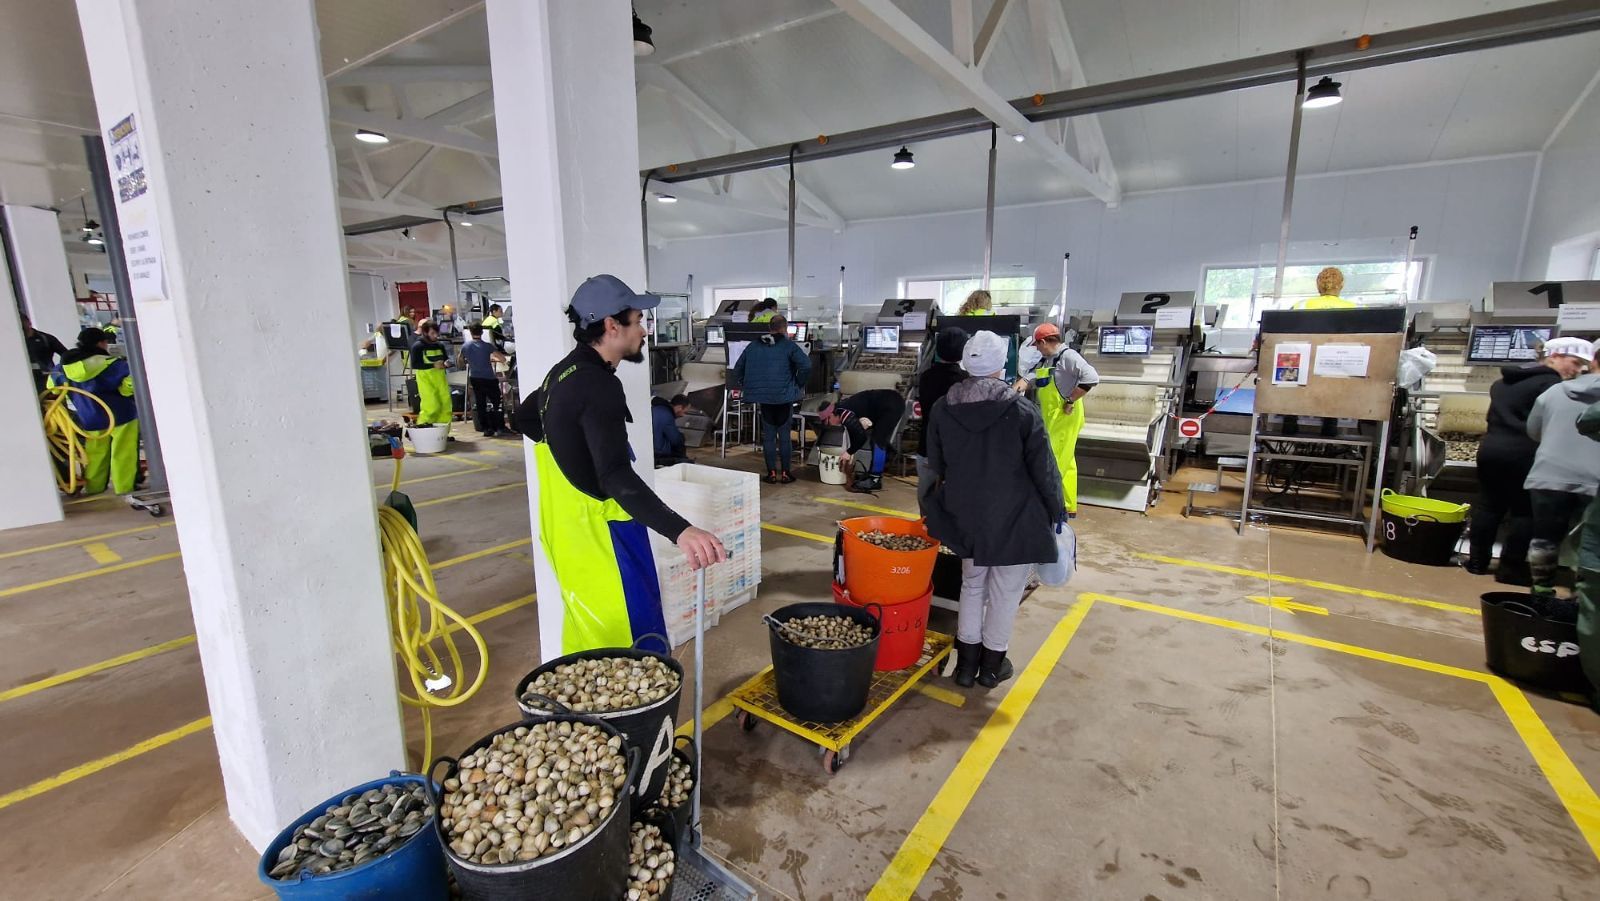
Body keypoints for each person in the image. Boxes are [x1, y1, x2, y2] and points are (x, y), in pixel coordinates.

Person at [514, 274, 726, 653]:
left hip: (565, 527)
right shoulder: (598, 385)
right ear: (612, 326)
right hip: (601, 532)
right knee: (633, 645)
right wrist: (681, 530)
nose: (644, 331)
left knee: (588, 639)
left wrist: (571, 457)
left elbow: (523, 419)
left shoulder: (561, 374)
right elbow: (614, 475)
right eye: (637, 320)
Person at [923, 329, 1066, 688]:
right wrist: (1057, 511)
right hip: (1015, 515)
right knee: (1005, 590)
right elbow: (1044, 468)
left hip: (965, 514)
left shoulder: (943, 407)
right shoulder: (1020, 410)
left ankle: (965, 667)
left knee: (972, 585)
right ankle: (991, 666)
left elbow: (936, 463)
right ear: (1002, 364)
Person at [1467, 336, 1591, 581]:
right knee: (1524, 513)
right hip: (1527, 453)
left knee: (1488, 507)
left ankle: (1476, 563)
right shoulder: (1553, 387)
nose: (1577, 370)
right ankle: (1510, 569)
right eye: (1575, 362)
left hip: (1491, 450)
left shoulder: (1503, 382)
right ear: (1555, 356)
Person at [1524, 343, 1600, 596]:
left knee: (1545, 536)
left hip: (1549, 474)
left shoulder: (1554, 392)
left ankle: (1541, 589)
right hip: (1594, 481)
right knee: (1589, 543)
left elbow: (1533, 431)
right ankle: (1582, 595)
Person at [1015, 322, 1099, 516]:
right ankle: (1068, 505)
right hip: (1053, 417)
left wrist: (1070, 400)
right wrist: (1009, 394)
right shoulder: (1047, 360)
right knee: (1066, 461)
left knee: (1053, 461)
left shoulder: (1068, 356)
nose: (1036, 349)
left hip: (1064, 416)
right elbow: (1028, 379)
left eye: (1037, 345)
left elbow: (1091, 377)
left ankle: (1050, 507)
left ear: (1044, 341)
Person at [50, 327, 140, 495]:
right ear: (101, 343)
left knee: (95, 453)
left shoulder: (63, 367)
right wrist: (125, 392)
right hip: (121, 413)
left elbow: (53, 388)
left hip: (89, 416)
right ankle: (124, 488)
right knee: (123, 452)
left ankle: (94, 487)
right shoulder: (110, 362)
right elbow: (131, 380)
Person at [733, 314, 812, 483]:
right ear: (784, 329)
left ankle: (771, 474)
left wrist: (746, 384)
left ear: (770, 328)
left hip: (764, 398)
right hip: (784, 397)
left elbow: (738, 368)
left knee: (768, 436)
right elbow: (806, 365)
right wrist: (798, 383)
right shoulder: (789, 346)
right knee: (784, 436)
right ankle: (785, 473)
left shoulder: (753, 346)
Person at [914, 327, 969, 510]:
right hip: (953, 450)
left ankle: (926, 533)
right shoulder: (964, 381)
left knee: (926, 495)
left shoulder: (926, 377)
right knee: (952, 498)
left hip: (927, 447)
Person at [819, 388, 906, 493]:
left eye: (827, 422)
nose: (828, 425)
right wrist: (851, 451)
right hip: (889, 401)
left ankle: (875, 479)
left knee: (877, 440)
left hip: (891, 404)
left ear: (831, 414)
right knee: (877, 438)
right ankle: (882, 463)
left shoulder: (845, 415)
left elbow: (861, 438)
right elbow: (855, 434)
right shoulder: (843, 409)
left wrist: (849, 452)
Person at [460, 324, 507, 437]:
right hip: (489, 378)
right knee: (497, 402)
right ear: (482, 333)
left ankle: (486, 428)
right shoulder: (487, 346)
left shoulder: (465, 346)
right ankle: (499, 426)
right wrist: (492, 358)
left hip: (475, 377)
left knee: (481, 403)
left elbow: (460, 360)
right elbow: (502, 358)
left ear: (471, 333)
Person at [409, 320, 454, 427]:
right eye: (432, 333)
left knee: (445, 406)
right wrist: (433, 365)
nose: (436, 336)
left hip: (441, 379)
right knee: (431, 405)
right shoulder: (417, 346)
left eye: (436, 333)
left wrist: (447, 363)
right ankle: (422, 428)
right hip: (426, 380)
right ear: (425, 333)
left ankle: (442, 432)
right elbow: (415, 365)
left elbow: (445, 359)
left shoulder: (440, 345)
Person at [21, 314, 68, 394]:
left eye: (23, 322)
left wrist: (59, 371)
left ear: (29, 322)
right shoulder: (13, 343)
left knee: (57, 405)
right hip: (25, 384)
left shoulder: (46, 338)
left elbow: (66, 355)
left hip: (49, 381)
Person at [652, 393, 692, 467]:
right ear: (679, 407)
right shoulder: (666, 415)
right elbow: (676, 440)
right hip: (658, 454)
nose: (683, 415)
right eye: (685, 412)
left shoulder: (656, 408)